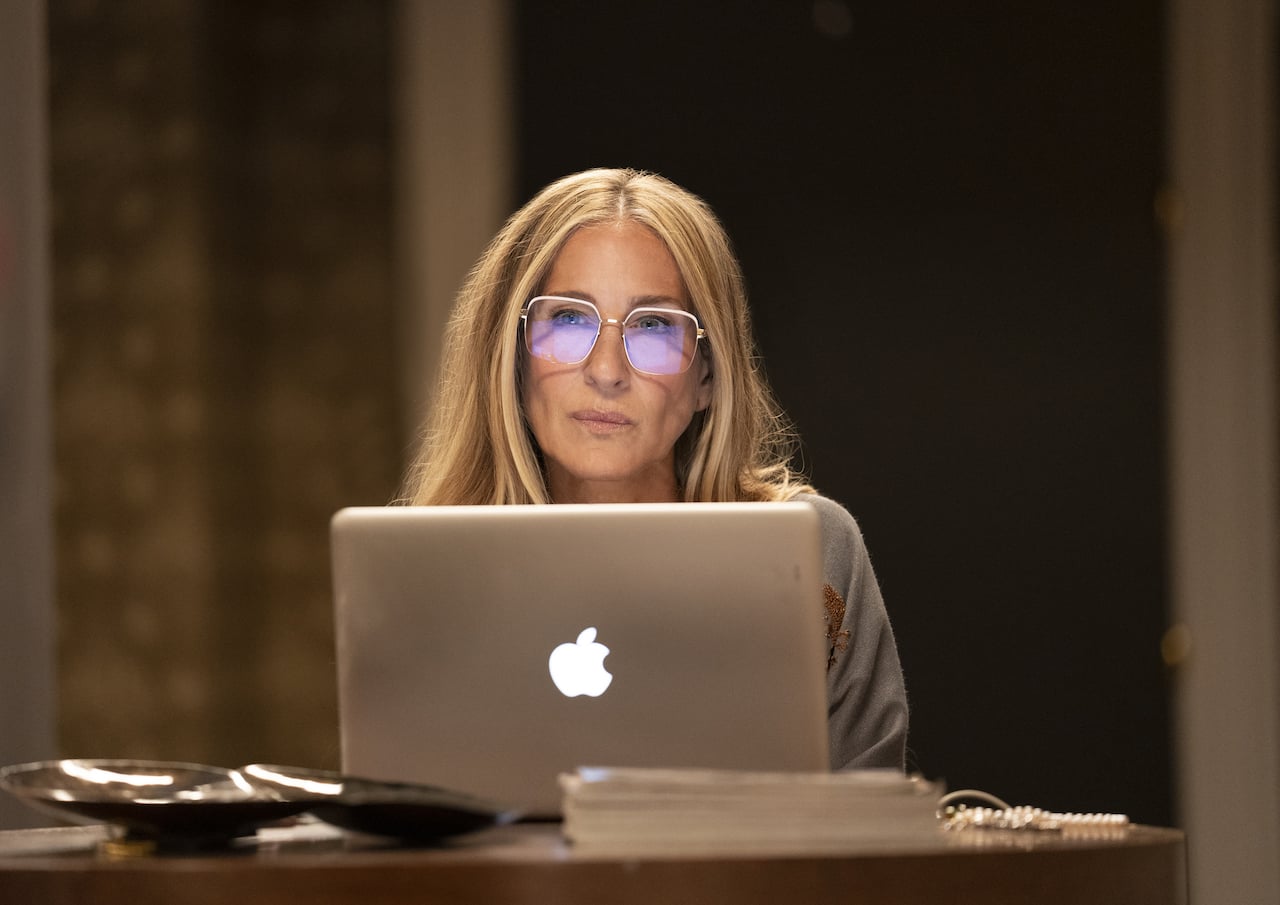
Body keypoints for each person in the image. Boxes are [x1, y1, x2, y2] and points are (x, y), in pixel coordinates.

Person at [401, 168, 908, 771]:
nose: (607, 370)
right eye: (569, 319)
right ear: (511, 358)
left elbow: (871, 819)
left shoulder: (812, 550)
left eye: (653, 326)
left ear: (707, 377)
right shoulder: (428, 574)